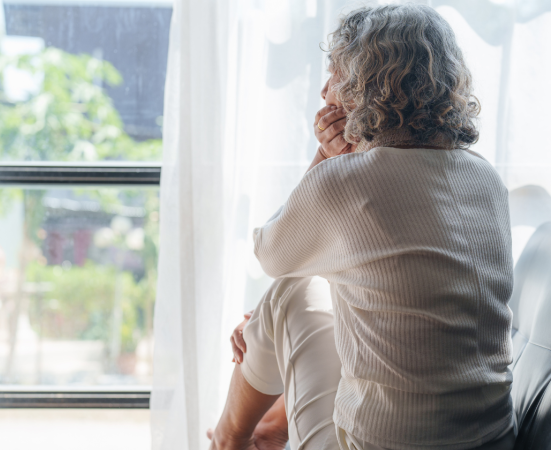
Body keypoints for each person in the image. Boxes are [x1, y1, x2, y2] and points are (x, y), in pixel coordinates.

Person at [208, 5, 515, 450]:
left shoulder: (346, 182)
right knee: (313, 292)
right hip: (492, 439)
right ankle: (270, 430)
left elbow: (270, 254)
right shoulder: (486, 178)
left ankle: (227, 439)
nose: (324, 90)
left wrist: (324, 159)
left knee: (288, 290)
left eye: (334, 73)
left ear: (365, 84)